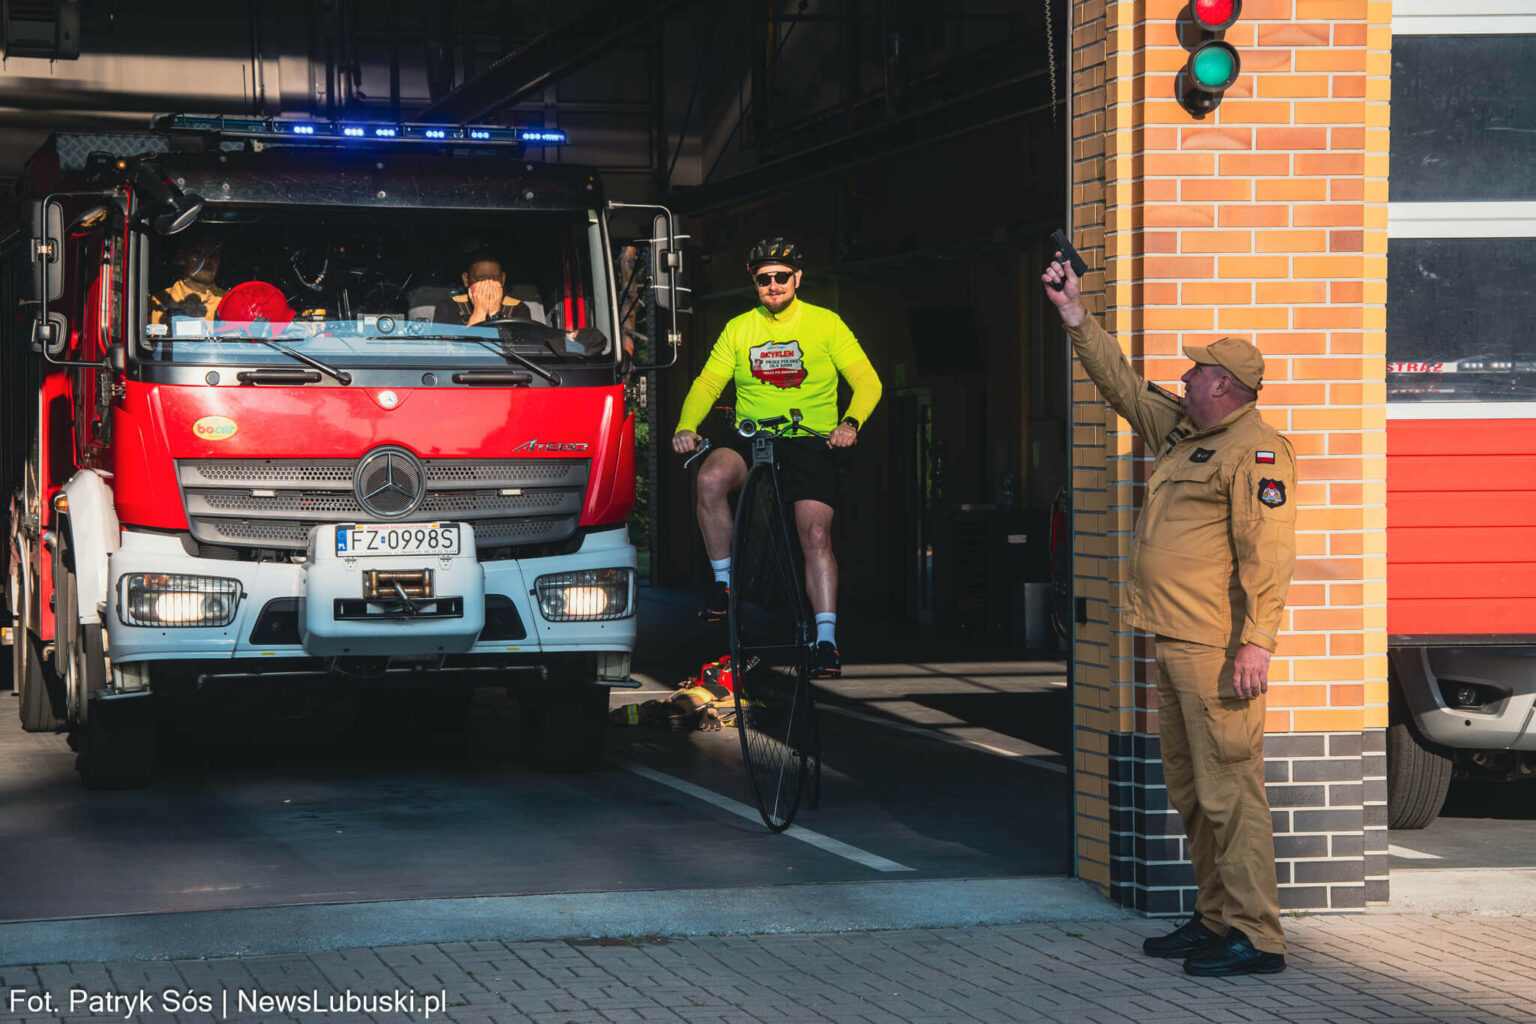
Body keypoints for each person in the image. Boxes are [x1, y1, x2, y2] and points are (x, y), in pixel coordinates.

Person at [1042, 250, 1297, 977]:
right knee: (1192, 792)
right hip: (1174, 640)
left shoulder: (1257, 454)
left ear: (1224, 386)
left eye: (1195, 371)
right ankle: (1215, 919)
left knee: (1231, 792)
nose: (1183, 378)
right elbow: (1123, 385)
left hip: (1218, 649)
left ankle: (1258, 936)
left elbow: (1268, 554)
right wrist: (1075, 315)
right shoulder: (1186, 433)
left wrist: (1258, 643)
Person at [671, 237, 882, 679]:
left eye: (782, 276)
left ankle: (826, 640)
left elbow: (867, 381)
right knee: (709, 479)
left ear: (797, 278)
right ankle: (724, 584)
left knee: (816, 535)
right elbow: (708, 383)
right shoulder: (739, 328)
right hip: (753, 435)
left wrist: (850, 424)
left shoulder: (826, 324)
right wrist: (686, 426)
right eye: (764, 278)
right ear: (754, 281)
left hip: (809, 438)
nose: (773, 285)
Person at [432, 252, 532, 326]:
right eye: (481, 278)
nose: (488, 284)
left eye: (494, 278)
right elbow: (456, 347)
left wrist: (495, 314)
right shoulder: (448, 307)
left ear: (502, 279)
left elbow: (514, 346)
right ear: (466, 280)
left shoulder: (517, 308)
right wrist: (479, 312)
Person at [148, 234, 226, 324]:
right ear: (182, 257)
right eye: (197, 253)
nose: (207, 260)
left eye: (213, 255)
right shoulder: (161, 302)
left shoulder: (229, 302)